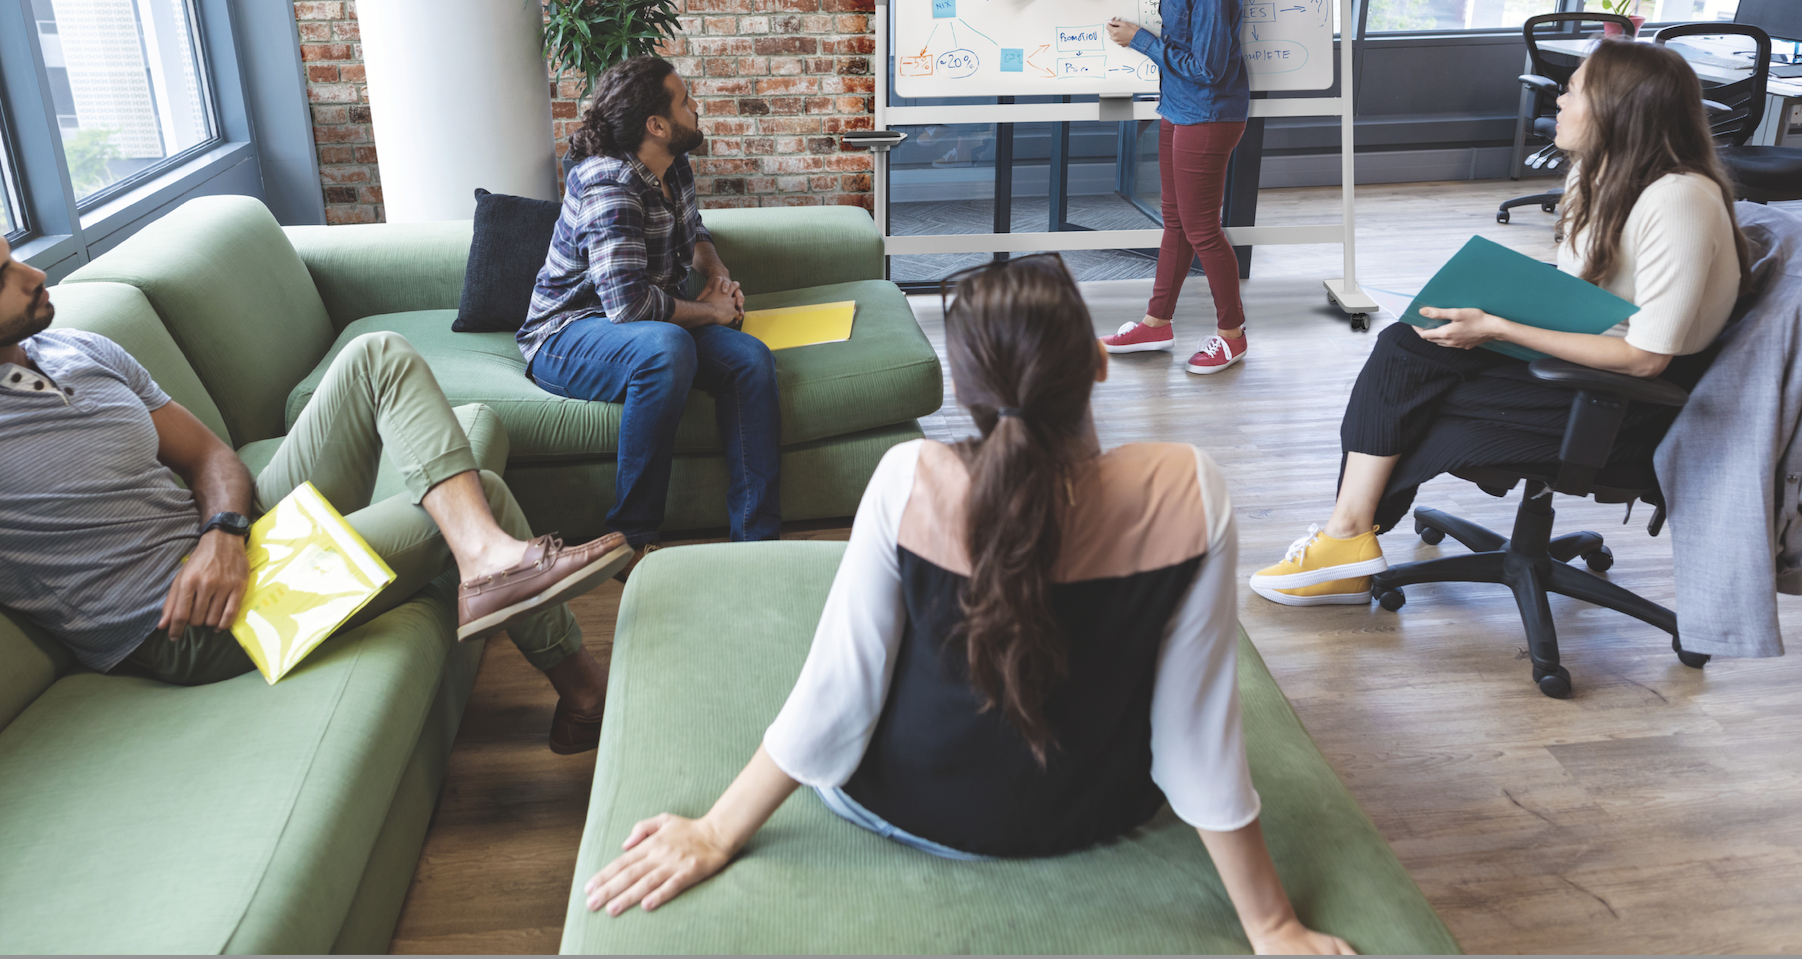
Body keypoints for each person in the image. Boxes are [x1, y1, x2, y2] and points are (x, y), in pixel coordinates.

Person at [580, 254, 1354, 955]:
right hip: (1097, 812)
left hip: (904, 807)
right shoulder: (1190, 490)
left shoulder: (908, 477)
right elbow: (1195, 734)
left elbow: (835, 702)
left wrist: (718, 832)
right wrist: (1271, 926)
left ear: (968, 388)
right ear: (1097, 364)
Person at [0, 205, 630, 753]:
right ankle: (574, 675)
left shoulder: (76, 348)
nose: (34, 277)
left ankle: (492, 569)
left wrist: (223, 533)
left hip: (236, 549)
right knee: (470, 491)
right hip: (192, 629)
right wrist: (217, 560)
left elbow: (211, 460)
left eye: (13, 258)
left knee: (378, 357)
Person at [1251, 40, 1748, 605]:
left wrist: (1498, 327)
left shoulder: (1679, 199)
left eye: (1574, 90)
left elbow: (1646, 357)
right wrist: (1488, 303)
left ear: (1616, 108)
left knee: (1409, 387)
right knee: (1409, 341)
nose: (1559, 101)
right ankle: (1348, 539)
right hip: (1586, 361)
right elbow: (1586, 293)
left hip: (1628, 401)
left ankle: (1346, 543)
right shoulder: (1601, 173)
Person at [1004, 0, 1256, 375]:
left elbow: (1208, 69)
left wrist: (1141, 39)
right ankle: (1156, 324)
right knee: (1176, 221)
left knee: (1202, 228)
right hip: (1182, 106)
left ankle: (1231, 336)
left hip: (1208, 114)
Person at [520, 55, 782, 549]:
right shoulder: (609, 186)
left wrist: (718, 277)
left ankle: (757, 539)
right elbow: (629, 307)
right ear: (656, 124)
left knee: (749, 359)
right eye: (686, 101)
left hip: (644, 327)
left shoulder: (673, 164)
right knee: (666, 348)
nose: (697, 107)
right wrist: (715, 314)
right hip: (566, 335)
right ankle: (630, 538)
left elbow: (695, 231)